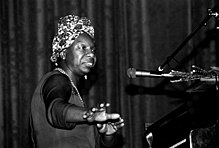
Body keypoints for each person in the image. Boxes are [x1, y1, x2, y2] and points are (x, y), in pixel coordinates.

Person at [30, 14, 124, 148]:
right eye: (82, 47)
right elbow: (55, 110)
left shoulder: (74, 98)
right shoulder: (57, 79)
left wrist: (107, 134)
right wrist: (88, 115)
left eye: (92, 49)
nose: (91, 54)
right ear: (63, 53)